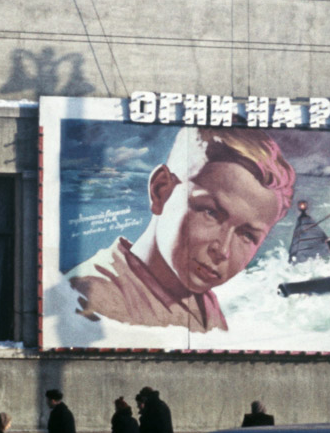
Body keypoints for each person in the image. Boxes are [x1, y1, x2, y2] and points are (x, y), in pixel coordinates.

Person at [64, 127, 295, 332]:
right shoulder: (89, 295)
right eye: (211, 213)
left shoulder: (204, 305)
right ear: (161, 190)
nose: (222, 251)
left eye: (247, 235)